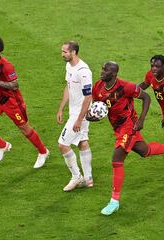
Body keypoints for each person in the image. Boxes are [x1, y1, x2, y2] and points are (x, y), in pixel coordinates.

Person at [87, 61, 164, 216]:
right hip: (117, 128)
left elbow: (146, 97)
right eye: (102, 68)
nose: (102, 71)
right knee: (144, 151)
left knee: (116, 160)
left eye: (106, 70)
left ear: (114, 74)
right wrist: (92, 115)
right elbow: (98, 105)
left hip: (129, 127)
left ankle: (114, 202)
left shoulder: (125, 87)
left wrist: (141, 120)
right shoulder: (98, 86)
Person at [0, 34, 49, 168]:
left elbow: (15, 85)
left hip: (12, 102)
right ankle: (3, 146)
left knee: (25, 129)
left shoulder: (7, 66)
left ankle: (43, 152)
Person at [57, 41, 93, 191]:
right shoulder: (69, 66)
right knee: (82, 142)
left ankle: (76, 176)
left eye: (65, 52)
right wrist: (61, 109)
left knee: (62, 145)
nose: (62, 54)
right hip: (73, 112)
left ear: (74, 52)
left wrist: (79, 119)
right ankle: (88, 178)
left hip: (80, 114)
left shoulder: (83, 71)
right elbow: (68, 86)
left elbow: (88, 97)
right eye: (62, 51)